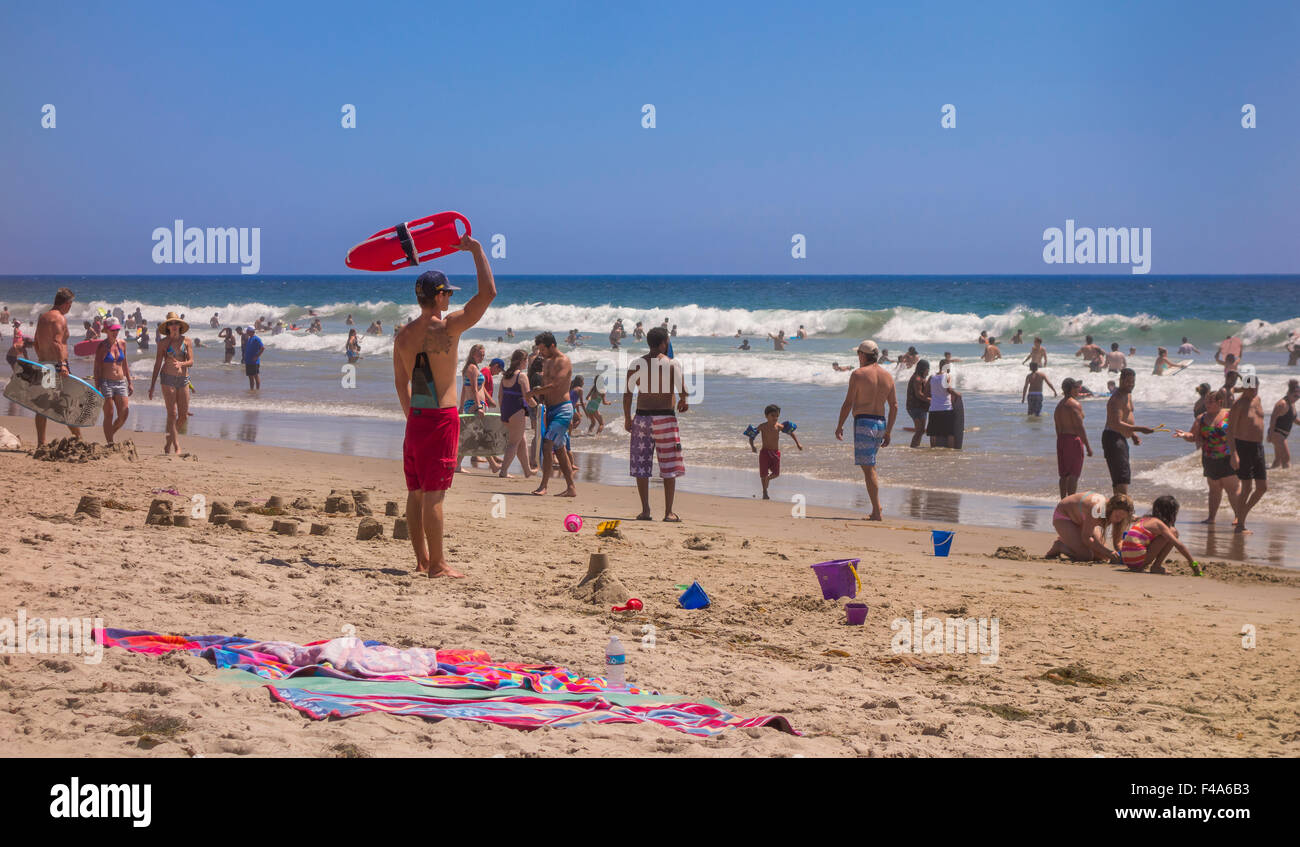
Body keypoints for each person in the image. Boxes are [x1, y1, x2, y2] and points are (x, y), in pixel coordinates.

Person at [392, 239, 495, 578]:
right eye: (448, 294)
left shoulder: (403, 336)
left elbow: (400, 383)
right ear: (438, 297)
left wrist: (412, 417)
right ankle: (436, 565)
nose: (450, 298)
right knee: (435, 494)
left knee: (416, 491)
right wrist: (477, 250)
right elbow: (488, 294)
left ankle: (421, 560)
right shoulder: (448, 327)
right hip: (440, 420)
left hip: (417, 419)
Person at [623, 326, 688, 520]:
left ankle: (645, 510)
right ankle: (668, 512)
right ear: (663, 343)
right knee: (669, 466)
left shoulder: (636, 364)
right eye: (667, 341)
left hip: (642, 417)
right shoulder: (672, 364)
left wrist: (628, 418)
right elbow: (682, 390)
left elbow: (627, 395)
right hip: (665, 418)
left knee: (641, 466)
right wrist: (684, 401)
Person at [834, 340, 897, 521]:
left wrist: (839, 426)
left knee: (868, 469)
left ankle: (877, 510)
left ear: (862, 355)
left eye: (858, 354)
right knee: (870, 466)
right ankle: (877, 507)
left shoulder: (858, 374)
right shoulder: (887, 376)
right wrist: (889, 431)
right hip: (880, 424)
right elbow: (894, 406)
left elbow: (848, 403)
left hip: (864, 423)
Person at [1173, 389, 1239, 523]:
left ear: (1219, 402)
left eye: (1211, 401)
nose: (1207, 404)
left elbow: (1240, 432)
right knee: (1214, 489)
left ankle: (1239, 517)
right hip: (1209, 458)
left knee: (1231, 489)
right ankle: (1211, 518)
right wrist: (1184, 435)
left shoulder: (1229, 414)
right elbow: (1194, 437)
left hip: (1228, 457)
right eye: (1206, 401)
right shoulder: (1201, 418)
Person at [529, 332, 578, 497]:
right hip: (550, 410)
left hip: (563, 410)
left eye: (543, 349)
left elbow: (556, 385)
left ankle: (543, 485)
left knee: (547, 444)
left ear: (552, 346)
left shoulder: (563, 361)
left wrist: (533, 392)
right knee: (560, 450)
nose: (541, 352)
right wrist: (540, 398)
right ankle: (571, 488)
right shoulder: (547, 362)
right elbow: (544, 384)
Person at [32, 288, 83, 446]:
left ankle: (41, 442)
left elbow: (36, 342)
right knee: (68, 404)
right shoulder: (60, 318)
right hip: (58, 366)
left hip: (46, 364)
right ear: (67, 303)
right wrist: (62, 365)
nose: (71, 307)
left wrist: (42, 359)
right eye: (71, 303)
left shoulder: (44, 317)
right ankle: (79, 439)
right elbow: (58, 342)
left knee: (43, 406)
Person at [1101, 368, 1155, 495]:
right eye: (1128, 382)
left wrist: (1133, 435)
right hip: (1113, 437)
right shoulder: (1116, 399)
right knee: (1121, 477)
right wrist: (1140, 429)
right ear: (1120, 380)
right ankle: (1123, 508)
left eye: (1133, 382)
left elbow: (1127, 417)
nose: (1131, 384)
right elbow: (1117, 423)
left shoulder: (1128, 394)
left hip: (1121, 437)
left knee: (1121, 476)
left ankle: (1120, 507)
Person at [1227, 371, 1268, 533]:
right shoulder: (1239, 405)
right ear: (1244, 388)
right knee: (1247, 487)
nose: (1254, 391)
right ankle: (1241, 524)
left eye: (1256, 388)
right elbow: (1230, 431)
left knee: (1262, 487)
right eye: (1251, 388)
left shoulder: (1257, 399)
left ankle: (1241, 514)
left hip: (1258, 447)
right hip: (1243, 447)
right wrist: (1233, 454)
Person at [148, 313, 193, 453]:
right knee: (172, 414)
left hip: (183, 380)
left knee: (183, 415)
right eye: (171, 324)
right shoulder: (163, 343)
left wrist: (182, 363)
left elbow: (191, 362)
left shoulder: (187, 341)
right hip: (167, 379)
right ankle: (176, 445)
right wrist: (152, 385)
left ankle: (169, 441)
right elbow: (157, 364)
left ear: (180, 325)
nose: (173, 326)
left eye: (176, 323)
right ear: (167, 327)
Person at [1045, 491, 1132, 562]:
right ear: (1110, 509)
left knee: (1102, 556)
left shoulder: (1119, 514)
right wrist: (1109, 552)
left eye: (1122, 517)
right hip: (1064, 516)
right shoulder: (1098, 509)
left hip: (1083, 520)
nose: (1119, 519)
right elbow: (1086, 537)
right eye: (1117, 516)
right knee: (1086, 555)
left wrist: (1123, 554)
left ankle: (1072, 540)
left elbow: (1117, 542)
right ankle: (1060, 546)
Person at [1119, 495, 1197, 574]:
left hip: (1126, 559)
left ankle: (1142, 565)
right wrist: (1193, 563)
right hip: (1137, 561)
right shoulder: (1158, 524)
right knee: (1173, 532)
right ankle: (1156, 566)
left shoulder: (1144, 519)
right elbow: (1179, 545)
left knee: (1160, 535)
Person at [749, 404, 802, 499]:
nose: (775, 418)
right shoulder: (762, 426)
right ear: (766, 416)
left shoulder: (779, 426)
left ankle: (768, 479)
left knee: (776, 474)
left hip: (775, 453)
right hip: (764, 453)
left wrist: (798, 443)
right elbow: (752, 436)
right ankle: (765, 492)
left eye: (777, 416)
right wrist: (752, 446)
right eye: (772, 415)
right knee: (763, 474)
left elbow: (791, 433)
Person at [93, 322, 134, 444]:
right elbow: (97, 368)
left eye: (117, 330)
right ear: (106, 331)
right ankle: (110, 443)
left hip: (121, 382)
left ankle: (110, 433)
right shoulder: (102, 346)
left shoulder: (122, 343)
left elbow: (125, 363)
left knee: (124, 413)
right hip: (106, 383)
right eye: (112, 330)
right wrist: (97, 386)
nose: (115, 332)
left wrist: (130, 381)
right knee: (109, 414)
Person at [497, 349, 535, 478]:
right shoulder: (521, 376)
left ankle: (527, 470)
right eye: (526, 360)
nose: (527, 362)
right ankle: (503, 471)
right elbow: (528, 397)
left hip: (506, 412)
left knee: (521, 440)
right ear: (521, 361)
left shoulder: (506, 375)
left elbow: (500, 396)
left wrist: (504, 412)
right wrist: (538, 407)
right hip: (517, 412)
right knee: (514, 443)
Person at [1053, 379, 1093, 497]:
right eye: (1076, 388)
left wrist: (1061, 442)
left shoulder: (1059, 405)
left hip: (1061, 439)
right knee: (1073, 474)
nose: (1078, 390)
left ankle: (1063, 501)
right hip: (1073, 440)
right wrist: (1088, 447)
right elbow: (1079, 427)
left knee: (1064, 474)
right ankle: (1070, 501)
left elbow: (1057, 427)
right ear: (1070, 389)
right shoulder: (1074, 404)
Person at [925, 360, 959, 448]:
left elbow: (926, 391)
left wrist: (934, 397)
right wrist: (957, 394)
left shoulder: (931, 377)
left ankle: (932, 449)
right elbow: (948, 389)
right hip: (946, 408)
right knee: (950, 433)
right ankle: (950, 452)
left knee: (933, 433)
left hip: (934, 409)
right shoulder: (946, 376)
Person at [1268, 378, 1298, 469]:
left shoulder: (1292, 403)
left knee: (1278, 460)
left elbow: (1293, 419)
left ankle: (1272, 476)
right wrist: (1270, 435)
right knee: (1286, 459)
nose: (1297, 399)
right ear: (1289, 393)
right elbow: (1273, 419)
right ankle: (1289, 481)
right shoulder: (1282, 404)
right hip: (1277, 433)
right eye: (1295, 396)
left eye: (1299, 397)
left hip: (1282, 434)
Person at [905, 360, 930, 448]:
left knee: (921, 430)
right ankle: (912, 448)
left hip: (921, 407)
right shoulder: (917, 379)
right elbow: (919, 395)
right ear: (923, 369)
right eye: (927, 369)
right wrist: (931, 400)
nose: (928, 371)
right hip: (914, 407)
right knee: (919, 430)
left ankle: (915, 447)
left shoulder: (922, 378)